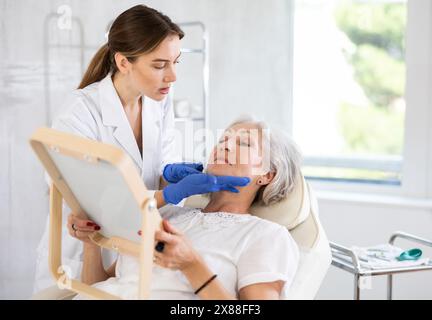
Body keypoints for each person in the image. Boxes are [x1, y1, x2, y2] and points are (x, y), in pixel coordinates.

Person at [33, 5, 248, 294]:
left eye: (176, 62)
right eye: (159, 65)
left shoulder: (159, 101)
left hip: (131, 256)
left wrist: (170, 176)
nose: (172, 76)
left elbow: (156, 171)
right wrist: (166, 194)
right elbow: (88, 200)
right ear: (123, 62)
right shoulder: (80, 113)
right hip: (80, 257)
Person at [71, 117, 302, 299]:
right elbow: (99, 288)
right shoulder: (167, 213)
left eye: (243, 143)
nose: (225, 146)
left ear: (267, 175)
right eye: (222, 140)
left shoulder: (265, 236)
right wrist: (91, 243)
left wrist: (192, 265)